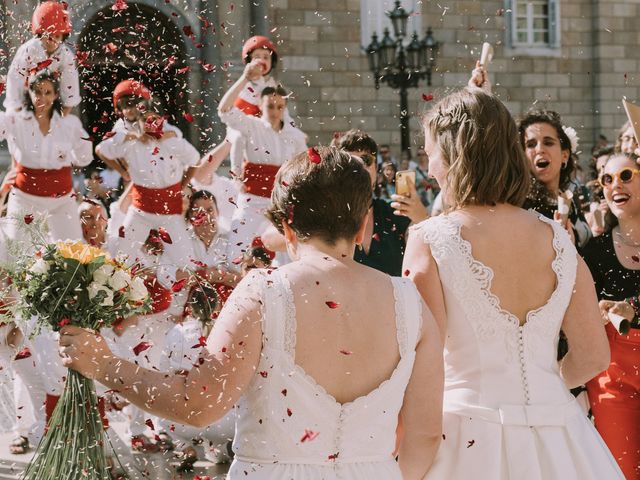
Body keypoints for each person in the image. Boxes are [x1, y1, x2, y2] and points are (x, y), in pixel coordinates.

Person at [60, 146, 444, 480]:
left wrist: (104, 365)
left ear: (287, 227)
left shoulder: (264, 291)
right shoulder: (410, 302)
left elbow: (198, 403)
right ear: (363, 227)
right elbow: (425, 437)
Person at [403, 87, 624, 479]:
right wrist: (545, 384)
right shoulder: (558, 238)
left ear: (454, 155)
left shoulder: (430, 240)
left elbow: (424, 368)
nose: (430, 166)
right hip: (561, 438)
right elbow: (593, 356)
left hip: (465, 440)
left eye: (430, 153)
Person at [581, 153, 640, 479]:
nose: (615, 184)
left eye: (626, 175)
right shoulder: (596, 250)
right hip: (612, 377)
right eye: (607, 178)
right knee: (621, 471)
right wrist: (596, 312)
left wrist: (633, 306)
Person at [218, 60, 306, 264]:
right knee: (236, 252)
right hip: (252, 199)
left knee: (288, 255)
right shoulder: (251, 126)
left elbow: (303, 169)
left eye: (279, 106)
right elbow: (224, 110)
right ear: (260, 105)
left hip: (281, 202)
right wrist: (245, 78)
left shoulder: (295, 136)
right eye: (270, 106)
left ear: (284, 107)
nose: (274, 111)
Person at [95, 103, 200, 269]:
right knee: (121, 261)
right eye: (145, 119)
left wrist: (182, 186)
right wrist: (123, 171)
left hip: (170, 212)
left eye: (155, 119)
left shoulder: (173, 141)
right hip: (141, 211)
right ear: (140, 122)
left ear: (162, 121)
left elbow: (195, 160)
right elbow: (101, 149)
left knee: (187, 263)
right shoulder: (132, 143)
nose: (150, 123)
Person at [1, 70, 92, 242]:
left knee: (72, 251)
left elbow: (84, 158)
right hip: (24, 197)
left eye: (48, 92)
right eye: (37, 91)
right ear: (29, 92)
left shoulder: (70, 124)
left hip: (62, 199)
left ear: (56, 94)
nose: (42, 97)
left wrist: (69, 155)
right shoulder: (16, 120)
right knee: (17, 249)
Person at [518, 110, 591, 248]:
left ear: (564, 155)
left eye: (548, 142)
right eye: (531, 144)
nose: (539, 149)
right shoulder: (520, 205)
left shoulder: (571, 200)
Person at [4, 1, 80, 116]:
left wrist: (57, 123)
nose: (52, 41)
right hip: (26, 102)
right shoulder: (28, 50)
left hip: (52, 103)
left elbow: (71, 93)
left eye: (57, 36)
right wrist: (19, 119)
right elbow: (14, 82)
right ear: (40, 34)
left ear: (63, 36)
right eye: (48, 36)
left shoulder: (66, 55)